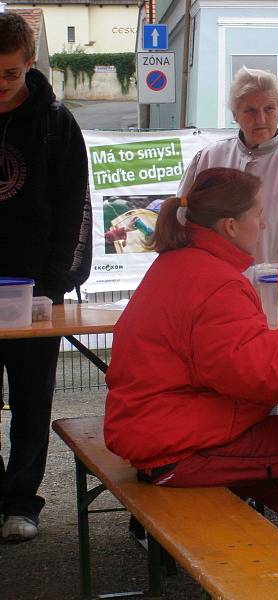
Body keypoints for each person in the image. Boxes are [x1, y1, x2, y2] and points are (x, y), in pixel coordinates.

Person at [104, 167, 278, 599]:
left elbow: (232, 356)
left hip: (161, 429)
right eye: (259, 214)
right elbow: (257, 372)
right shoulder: (215, 280)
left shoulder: (184, 265)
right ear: (231, 225)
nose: (266, 223)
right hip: (175, 447)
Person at [0, 12, 89, 542]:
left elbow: (76, 207)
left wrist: (53, 286)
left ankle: (21, 503)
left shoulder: (57, 122)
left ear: (29, 64)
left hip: (34, 292)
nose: (0, 84)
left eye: (9, 74)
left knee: (32, 402)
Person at [177, 67, 278, 274]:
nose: (261, 119)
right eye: (250, 110)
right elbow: (182, 221)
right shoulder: (208, 159)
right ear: (235, 114)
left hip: (271, 296)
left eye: (269, 109)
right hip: (211, 286)